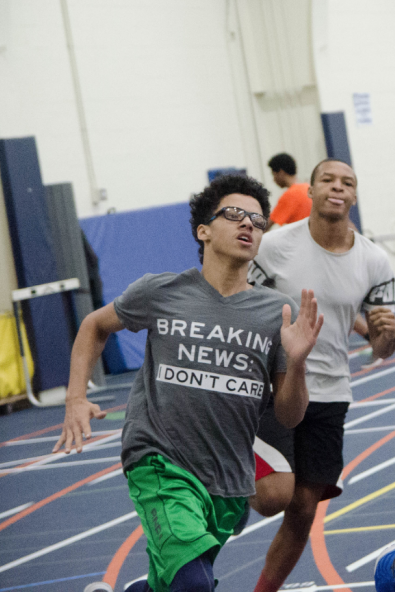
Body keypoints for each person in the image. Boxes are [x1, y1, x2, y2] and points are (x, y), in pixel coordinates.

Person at [55, 174, 323, 592]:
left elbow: (289, 416)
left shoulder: (279, 313)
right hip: (160, 462)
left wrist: (300, 362)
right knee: (193, 584)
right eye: (235, 215)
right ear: (204, 230)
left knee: (174, 584)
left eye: (257, 219)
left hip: (228, 478)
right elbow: (94, 325)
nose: (248, 225)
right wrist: (75, 398)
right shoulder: (162, 292)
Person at [247, 158, 395, 592]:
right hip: (272, 386)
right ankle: (227, 478)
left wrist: (386, 337)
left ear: (354, 195)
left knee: (304, 507)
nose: (338, 187)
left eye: (347, 182)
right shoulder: (274, 247)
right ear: (308, 192)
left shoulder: (374, 259)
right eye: (328, 180)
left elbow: (382, 347)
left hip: (331, 390)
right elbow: (241, 304)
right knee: (271, 500)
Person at [267, 153, 312, 228]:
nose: (274, 179)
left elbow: (268, 225)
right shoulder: (308, 188)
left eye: (274, 175)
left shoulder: (291, 195)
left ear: (281, 173)